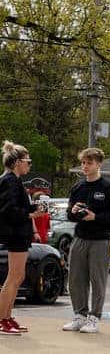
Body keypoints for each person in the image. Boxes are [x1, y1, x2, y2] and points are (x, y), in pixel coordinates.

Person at [62, 147, 110, 334]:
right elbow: (69, 214)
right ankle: (79, 315)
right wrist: (73, 212)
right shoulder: (78, 187)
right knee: (76, 279)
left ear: (98, 164)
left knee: (97, 280)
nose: (85, 166)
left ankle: (94, 317)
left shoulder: (109, 188)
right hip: (80, 237)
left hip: (100, 240)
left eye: (89, 163)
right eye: (83, 163)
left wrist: (95, 217)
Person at [0, 140, 45, 335]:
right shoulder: (9, 180)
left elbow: (18, 206)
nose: (29, 165)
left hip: (20, 234)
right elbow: (7, 209)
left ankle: (8, 316)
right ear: (17, 162)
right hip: (15, 234)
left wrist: (33, 208)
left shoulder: (15, 180)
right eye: (28, 161)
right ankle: (2, 319)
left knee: (19, 276)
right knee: (14, 276)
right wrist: (30, 214)